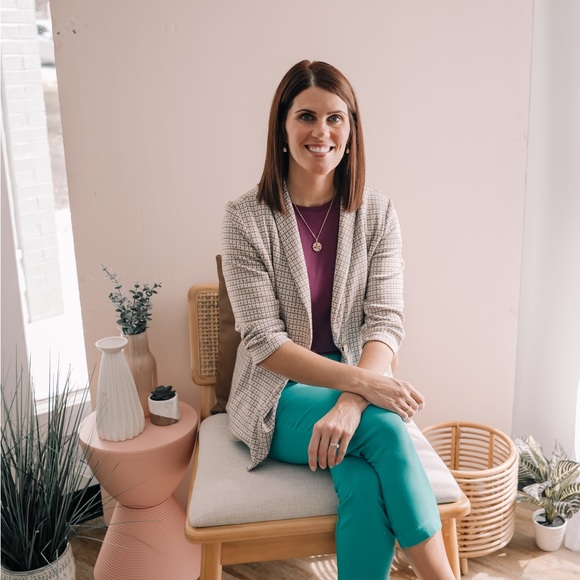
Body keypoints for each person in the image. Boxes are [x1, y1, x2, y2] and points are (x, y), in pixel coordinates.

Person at [221, 60, 455, 580]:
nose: (321, 132)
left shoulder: (377, 212)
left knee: (365, 484)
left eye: (335, 118)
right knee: (387, 432)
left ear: (351, 131)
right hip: (276, 393)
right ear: (282, 128)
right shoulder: (244, 217)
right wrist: (365, 388)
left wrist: (351, 401)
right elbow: (264, 343)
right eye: (306, 116)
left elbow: (385, 323)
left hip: (353, 385)